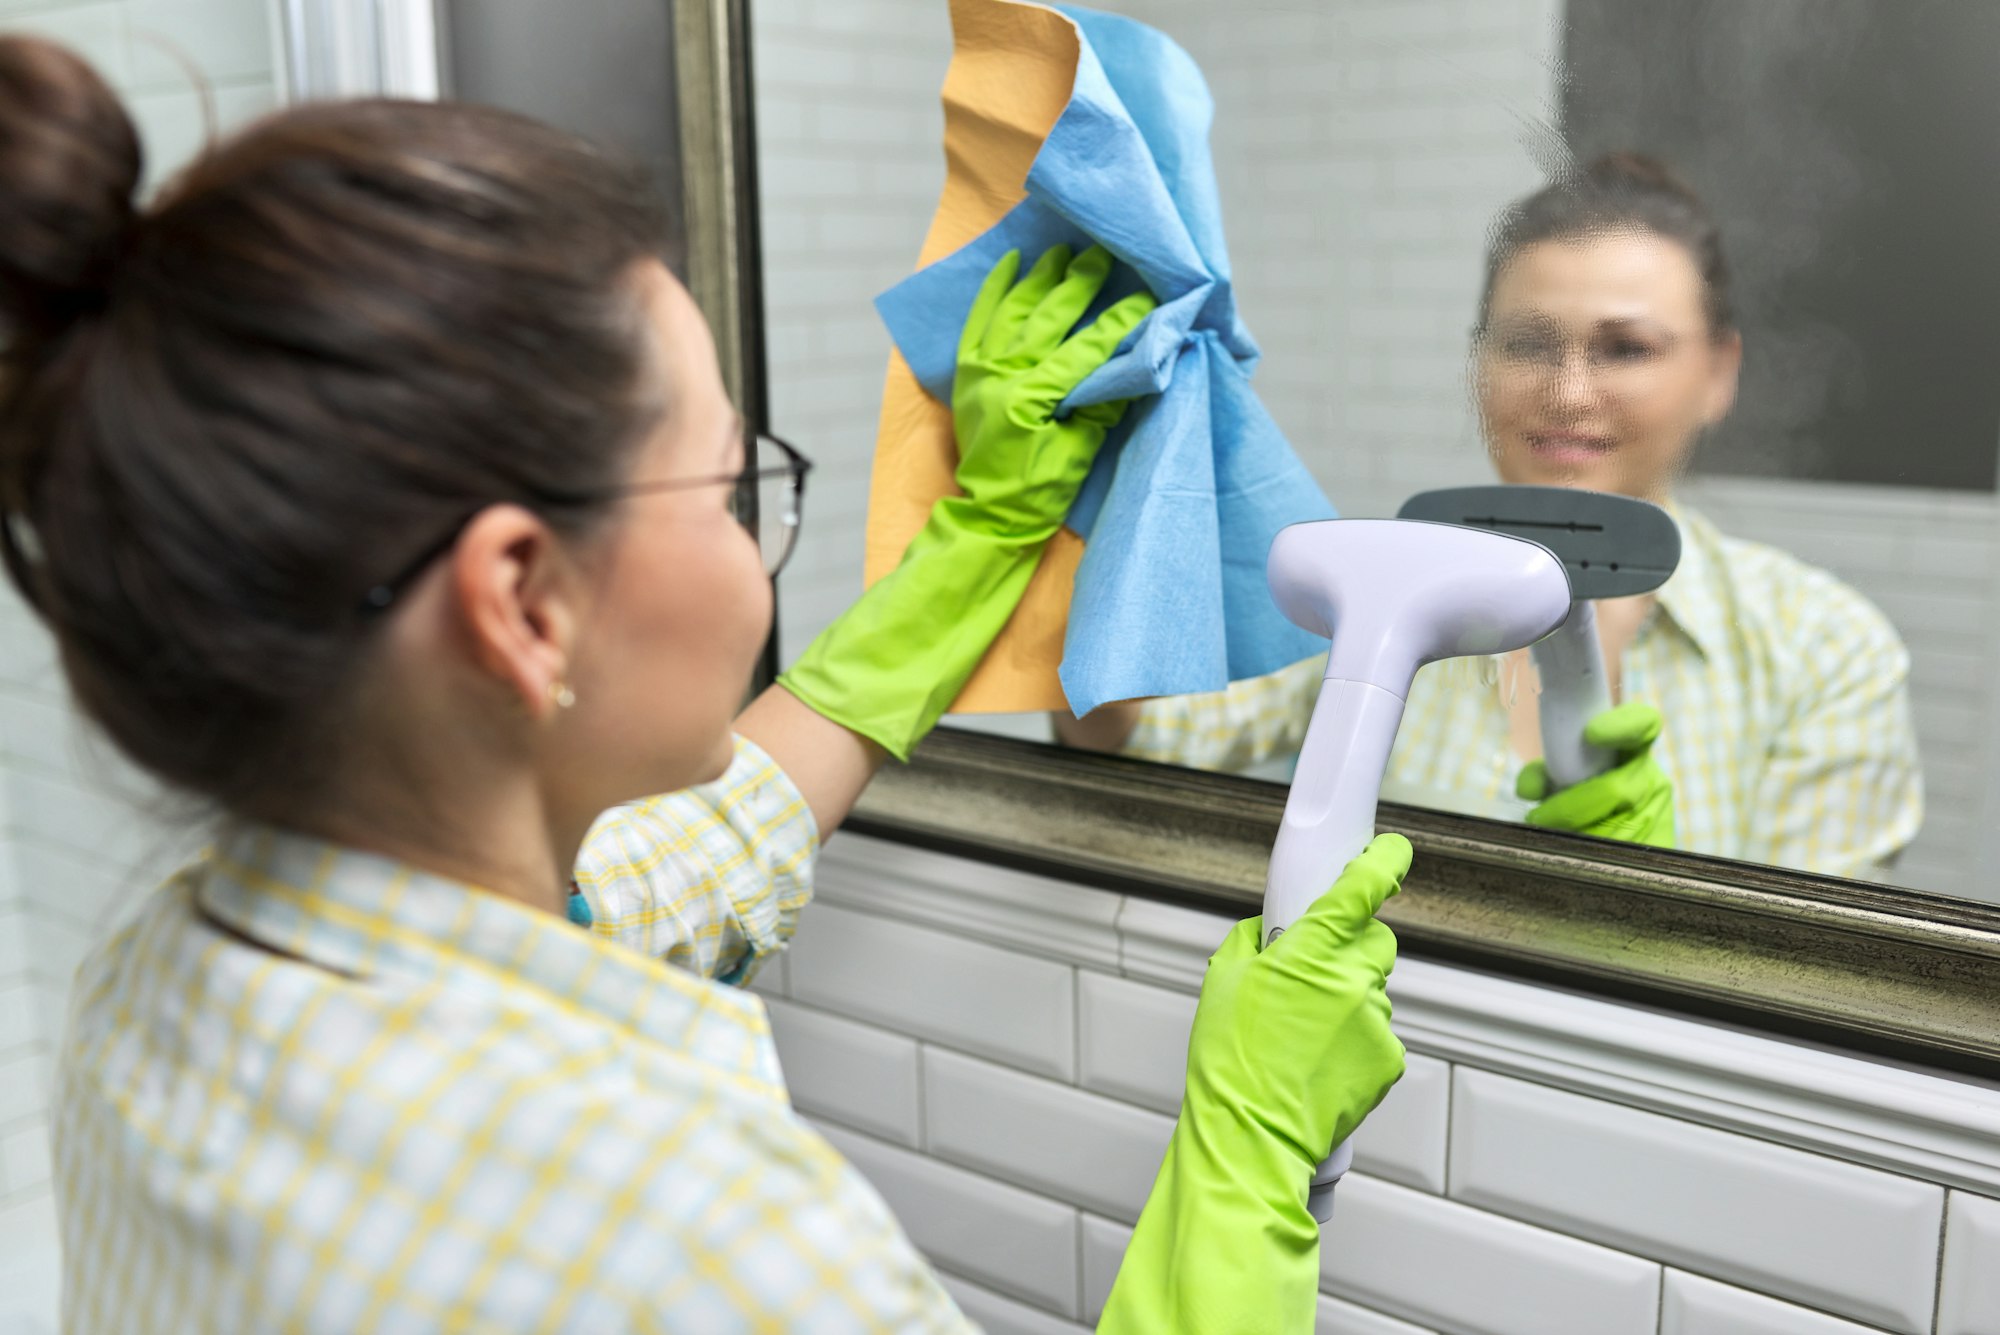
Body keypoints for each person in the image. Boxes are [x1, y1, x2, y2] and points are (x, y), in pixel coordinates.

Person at [1, 37, 1407, 1334]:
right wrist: (1249, 1147)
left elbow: (666, 869)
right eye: (735, 483)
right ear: (524, 602)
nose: (754, 552)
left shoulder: (163, 975)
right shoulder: (700, 1233)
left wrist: (984, 534)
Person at [1059, 153, 1922, 881]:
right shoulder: (1366, 594)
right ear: (1479, 364)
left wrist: (1663, 915)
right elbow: (1130, 731)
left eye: (1626, 348)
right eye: (1527, 344)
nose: (1567, 394)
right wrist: (1081, 483)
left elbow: (1814, 1014)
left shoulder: (1824, 648)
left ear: (1718, 371)